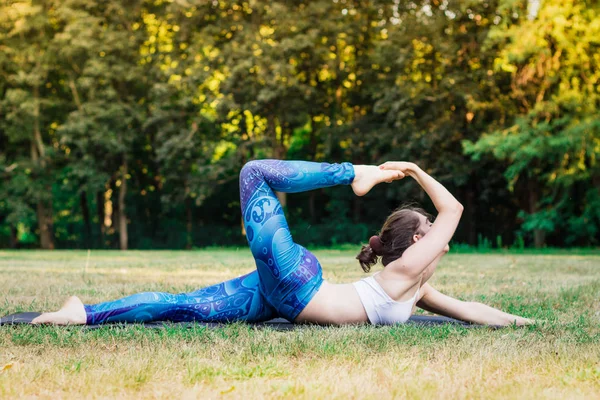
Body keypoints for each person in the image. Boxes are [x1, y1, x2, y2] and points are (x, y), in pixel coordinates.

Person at [33, 160, 532, 326]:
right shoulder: (405, 272)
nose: (444, 239)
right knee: (255, 173)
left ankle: (83, 314)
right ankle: (352, 173)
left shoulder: (415, 287)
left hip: (285, 296)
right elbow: (454, 211)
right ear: (420, 240)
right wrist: (412, 171)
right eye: (433, 232)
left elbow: (468, 309)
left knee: (181, 307)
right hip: (296, 284)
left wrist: (522, 321)